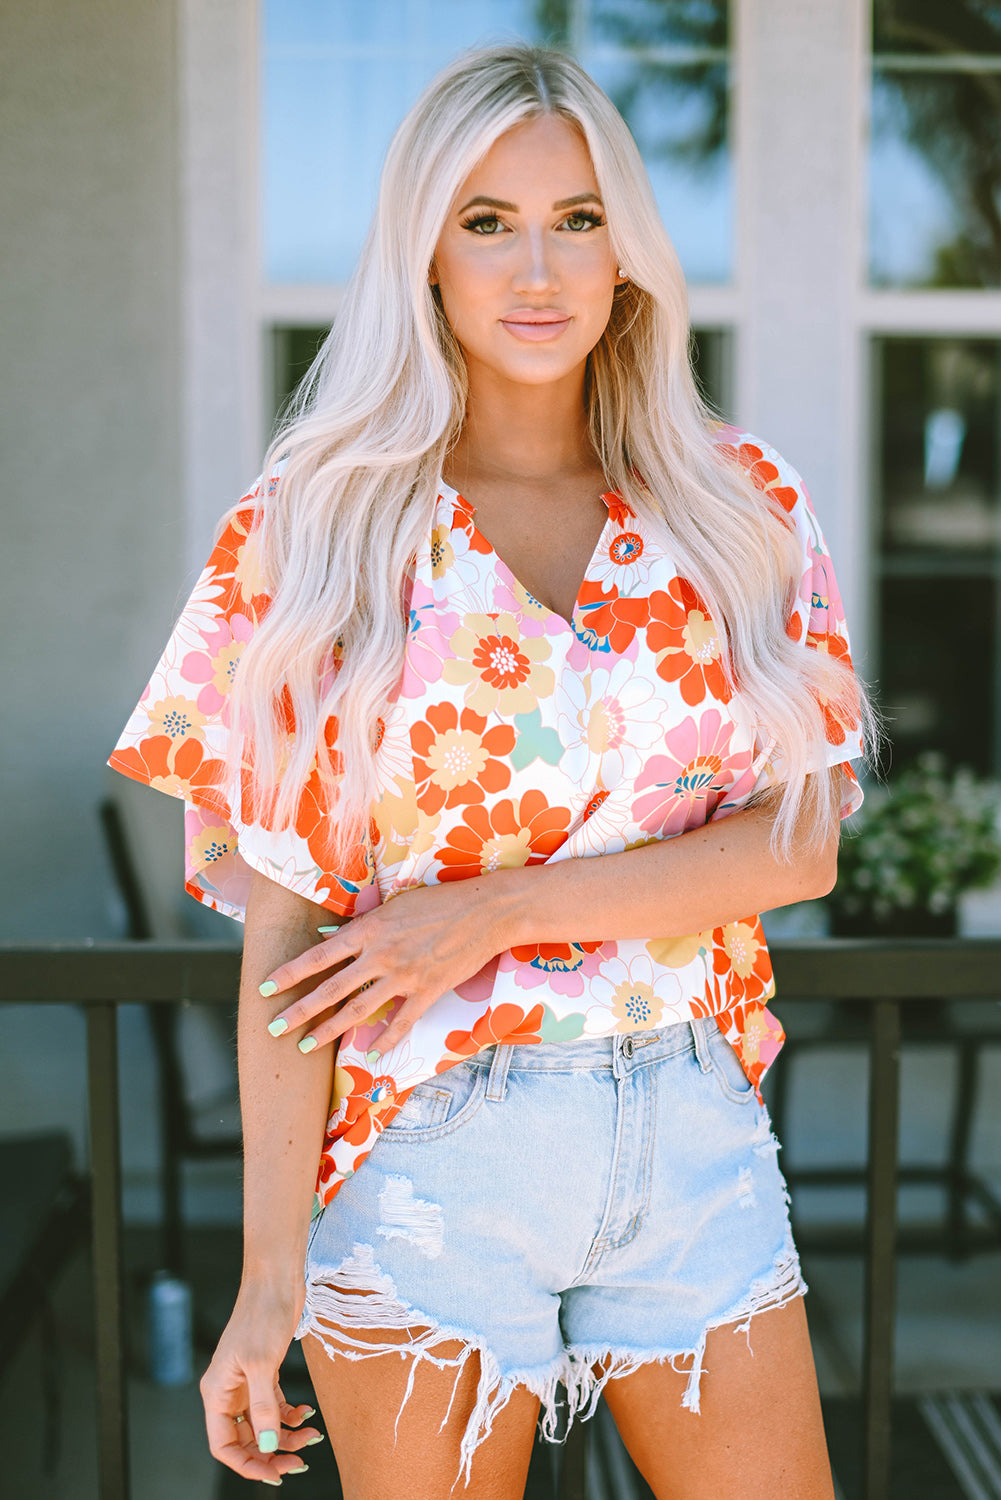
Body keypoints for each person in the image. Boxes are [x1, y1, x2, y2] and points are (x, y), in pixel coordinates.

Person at [110, 42, 873, 1500]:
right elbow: (285, 933)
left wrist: (485, 914)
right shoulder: (312, 530)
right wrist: (267, 1280)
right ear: (425, 255)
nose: (538, 267)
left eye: (578, 218)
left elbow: (798, 846)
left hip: (693, 1126)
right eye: (486, 220)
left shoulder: (737, 503)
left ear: (627, 254)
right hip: (424, 1150)